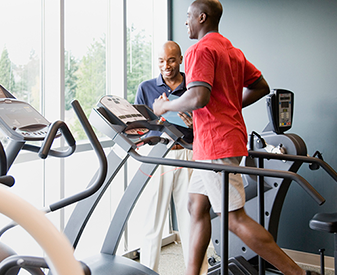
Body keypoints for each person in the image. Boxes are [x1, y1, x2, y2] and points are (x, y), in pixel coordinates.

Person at [152, 1, 317, 275]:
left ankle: (297, 273)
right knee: (196, 205)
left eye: (188, 17)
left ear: (201, 17)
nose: (186, 23)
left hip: (217, 143)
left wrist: (164, 106)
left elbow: (197, 97)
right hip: (212, 143)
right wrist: (229, 105)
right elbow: (260, 86)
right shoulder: (231, 50)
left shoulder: (201, 49)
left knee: (234, 218)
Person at [135, 41, 207, 273]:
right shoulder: (146, 88)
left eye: (171, 60)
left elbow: (207, 124)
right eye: (161, 61)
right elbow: (140, 124)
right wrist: (142, 135)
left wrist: (192, 122)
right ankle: (148, 270)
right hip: (159, 155)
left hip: (188, 153)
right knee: (152, 221)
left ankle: (198, 272)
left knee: (191, 220)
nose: (166, 65)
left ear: (181, 59)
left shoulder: (194, 88)